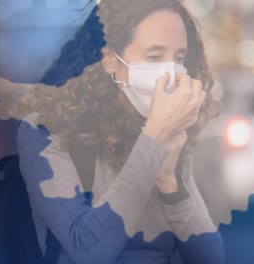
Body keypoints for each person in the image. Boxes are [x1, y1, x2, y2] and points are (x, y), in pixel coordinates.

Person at [14, 0, 224, 263]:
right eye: (154, 57)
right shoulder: (45, 130)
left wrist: (170, 182)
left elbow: (211, 257)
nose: (171, 73)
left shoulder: (168, 127)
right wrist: (153, 141)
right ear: (111, 60)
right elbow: (89, 250)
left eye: (179, 58)